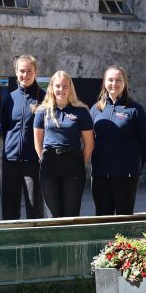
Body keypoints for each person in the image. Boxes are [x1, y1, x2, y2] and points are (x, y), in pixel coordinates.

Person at [90, 65, 146, 216]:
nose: (114, 83)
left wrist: (134, 166)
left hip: (126, 177)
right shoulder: (96, 109)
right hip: (100, 176)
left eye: (119, 80)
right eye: (110, 80)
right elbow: (89, 141)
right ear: (104, 82)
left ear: (124, 83)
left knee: (123, 220)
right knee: (102, 219)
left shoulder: (135, 110)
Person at [33, 70, 95, 217]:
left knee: (71, 214)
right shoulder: (42, 111)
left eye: (65, 86)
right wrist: (44, 161)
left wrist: (81, 163)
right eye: (58, 86)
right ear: (52, 88)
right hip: (49, 165)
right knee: (53, 215)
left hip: (73, 165)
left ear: (70, 87)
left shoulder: (81, 111)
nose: (61, 90)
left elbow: (89, 144)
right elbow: (37, 142)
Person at [0, 55, 45, 220]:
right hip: (10, 160)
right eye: (21, 71)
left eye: (29, 71)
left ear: (35, 72)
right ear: (16, 72)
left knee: (35, 208)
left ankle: (36, 244)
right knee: (9, 209)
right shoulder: (9, 98)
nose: (25, 75)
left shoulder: (44, 98)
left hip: (33, 162)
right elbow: (6, 126)